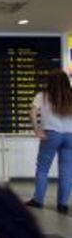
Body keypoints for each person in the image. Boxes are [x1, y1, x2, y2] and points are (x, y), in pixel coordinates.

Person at [26, 69, 72, 214]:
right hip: (70, 135)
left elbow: (32, 113)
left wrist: (37, 130)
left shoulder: (42, 96)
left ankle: (38, 200)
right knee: (66, 171)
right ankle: (62, 205)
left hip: (51, 134)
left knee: (43, 168)